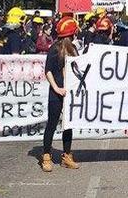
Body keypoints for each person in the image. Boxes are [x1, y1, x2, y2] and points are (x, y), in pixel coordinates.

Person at [42, 17, 80, 172]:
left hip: (69, 93)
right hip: (56, 93)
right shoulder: (54, 49)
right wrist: (57, 88)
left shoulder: (73, 49)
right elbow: (48, 71)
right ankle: (46, 156)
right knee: (51, 124)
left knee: (68, 125)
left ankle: (66, 156)